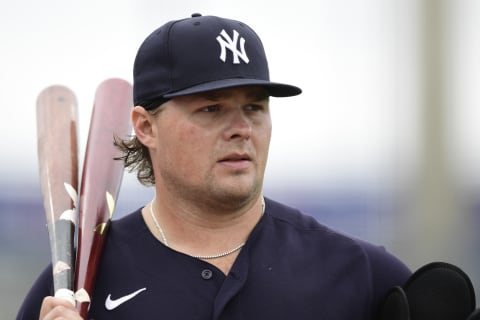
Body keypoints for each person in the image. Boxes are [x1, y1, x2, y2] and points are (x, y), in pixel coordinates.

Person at [17, 13, 411, 319]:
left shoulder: (360, 274)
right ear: (146, 127)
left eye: (254, 107)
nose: (241, 129)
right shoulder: (75, 288)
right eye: (211, 109)